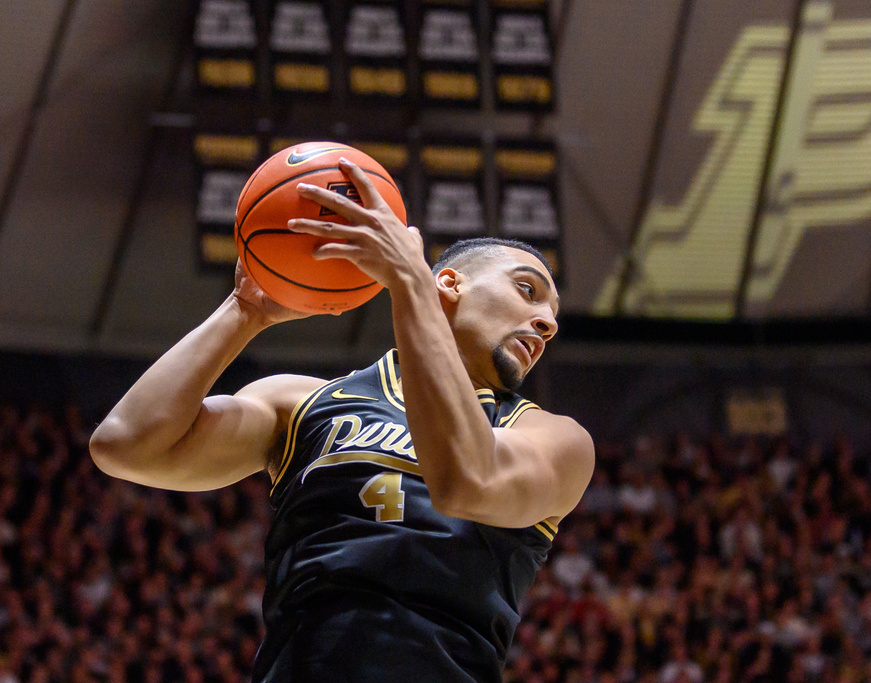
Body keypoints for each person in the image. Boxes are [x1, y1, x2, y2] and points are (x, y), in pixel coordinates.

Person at [89, 157, 595, 682]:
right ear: (448, 283)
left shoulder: (553, 438)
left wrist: (409, 285)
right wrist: (244, 311)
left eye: (552, 316)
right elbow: (125, 445)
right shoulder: (300, 402)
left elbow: (468, 479)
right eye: (528, 290)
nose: (547, 321)